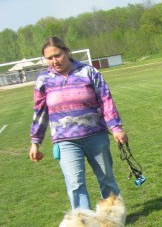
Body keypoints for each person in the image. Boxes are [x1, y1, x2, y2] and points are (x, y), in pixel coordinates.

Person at [29, 36, 129, 210]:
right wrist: (35, 142)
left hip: (95, 136)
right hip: (65, 141)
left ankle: (113, 219)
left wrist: (116, 127)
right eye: (50, 58)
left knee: (106, 178)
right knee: (75, 184)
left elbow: (106, 100)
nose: (54, 61)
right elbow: (40, 112)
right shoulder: (43, 81)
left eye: (57, 55)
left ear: (67, 52)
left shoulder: (88, 72)